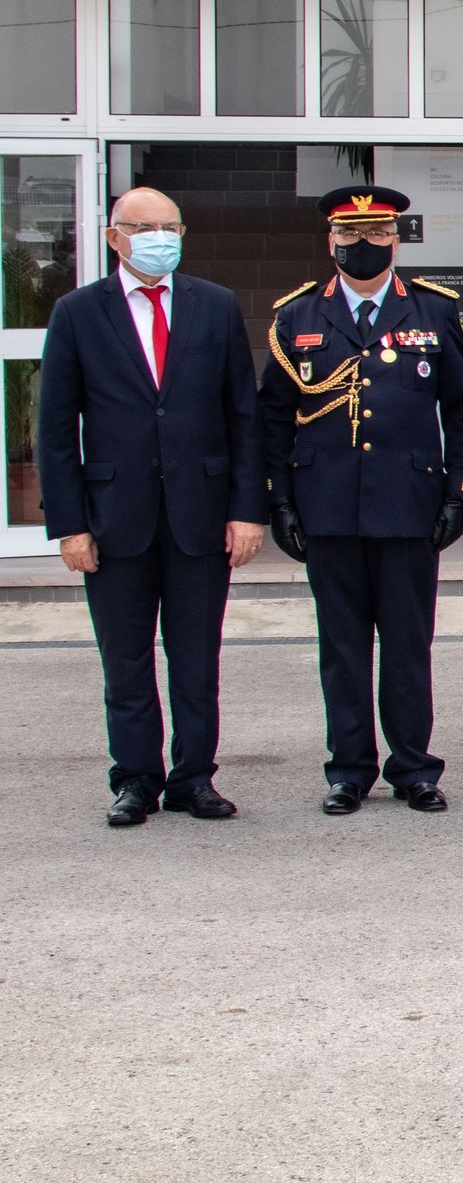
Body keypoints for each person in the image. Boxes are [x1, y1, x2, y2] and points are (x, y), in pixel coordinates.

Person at [38, 187, 266, 828]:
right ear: (115, 236)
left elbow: (242, 416)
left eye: (168, 226)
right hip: (115, 520)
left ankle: (194, 779)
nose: (157, 237)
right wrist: (70, 524)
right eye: (142, 227)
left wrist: (247, 511)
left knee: (196, 658)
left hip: (201, 513)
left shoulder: (215, 306)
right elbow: (55, 429)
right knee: (127, 661)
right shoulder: (79, 312)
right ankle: (136, 778)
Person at [260, 186, 463, 816]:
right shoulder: (297, 316)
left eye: (378, 233)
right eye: (350, 234)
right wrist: (279, 502)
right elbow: (273, 418)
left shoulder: (435, 311)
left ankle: (414, 767)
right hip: (326, 505)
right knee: (343, 646)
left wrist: (459, 494)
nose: (363, 245)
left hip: (409, 504)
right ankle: (349, 769)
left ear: (397, 238)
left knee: (409, 644)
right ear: (330, 240)